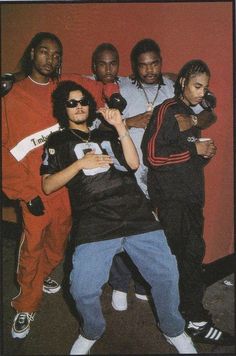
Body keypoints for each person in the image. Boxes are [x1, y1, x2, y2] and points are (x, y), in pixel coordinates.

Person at [40, 79, 197, 354]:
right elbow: (48, 185)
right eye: (71, 103)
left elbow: (134, 164)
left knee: (167, 274)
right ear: (62, 108)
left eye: (83, 101)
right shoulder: (58, 140)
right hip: (94, 218)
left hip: (135, 211)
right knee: (81, 288)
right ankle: (92, 330)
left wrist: (121, 127)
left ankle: (174, 329)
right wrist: (80, 163)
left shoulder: (107, 133)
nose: (79, 107)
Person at [2, 32, 116, 339]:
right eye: (44, 52)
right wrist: (23, 193)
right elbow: (4, 151)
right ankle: (26, 303)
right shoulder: (10, 94)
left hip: (66, 186)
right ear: (31, 54)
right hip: (34, 191)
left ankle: (41, 277)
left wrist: (120, 85)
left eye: (55, 54)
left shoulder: (64, 88)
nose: (50, 59)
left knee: (58, 244)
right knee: (32, 249)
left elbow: (102, 81)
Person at [108, 38, 217, 311]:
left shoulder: (173, 87)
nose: (149, 70)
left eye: (154, 63)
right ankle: (120, 284)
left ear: (162, 62)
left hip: (164, 176)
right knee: (126, 229)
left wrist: (193, 121)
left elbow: (206, 114)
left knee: (157, 236)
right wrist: (131, 122)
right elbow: (103, 125)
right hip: (130, 169)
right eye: (143, 65)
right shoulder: (121, 87)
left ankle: (147, 284)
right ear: (134, 67)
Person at [141, 59, 234, 346]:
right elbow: (153, 157)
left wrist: (202, 154)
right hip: (172, 200)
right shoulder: (167, 111)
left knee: (189, 257)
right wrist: (194, 148)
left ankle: (183, 313)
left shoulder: (188, 115)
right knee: (188, 258)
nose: (201, 93)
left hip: (189, 198)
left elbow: (179, 159)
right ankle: (194, 319)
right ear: (182, 82)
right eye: (197, 85)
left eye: (205, 87)